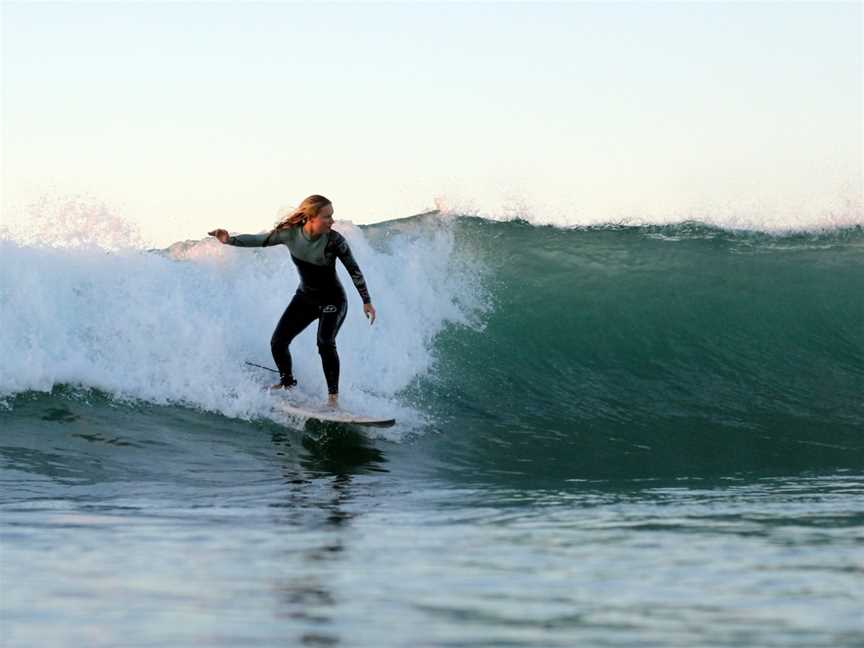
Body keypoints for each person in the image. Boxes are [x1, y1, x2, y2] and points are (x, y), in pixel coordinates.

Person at [209, 195, 375, 407]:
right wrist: (228, 240)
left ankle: (333, 400)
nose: (332, 221)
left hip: (333, 299)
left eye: (332, 216)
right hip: (305, 298)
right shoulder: (289, 235)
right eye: (327, 216)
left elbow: (354, 270)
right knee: (277, 342)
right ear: (311, 218)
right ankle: (287, 383)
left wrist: (366, 301)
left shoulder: (334, 241)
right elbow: (258, 241)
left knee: (325, 342)